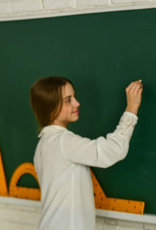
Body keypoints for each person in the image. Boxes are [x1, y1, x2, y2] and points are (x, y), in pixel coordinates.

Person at [29, 76, 143, 230]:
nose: (77, 103)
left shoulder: (43, 143)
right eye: (68, 100)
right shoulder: (63, 141)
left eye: (74, 97)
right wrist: (132, 108)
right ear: (51, 107)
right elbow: (114, 150)